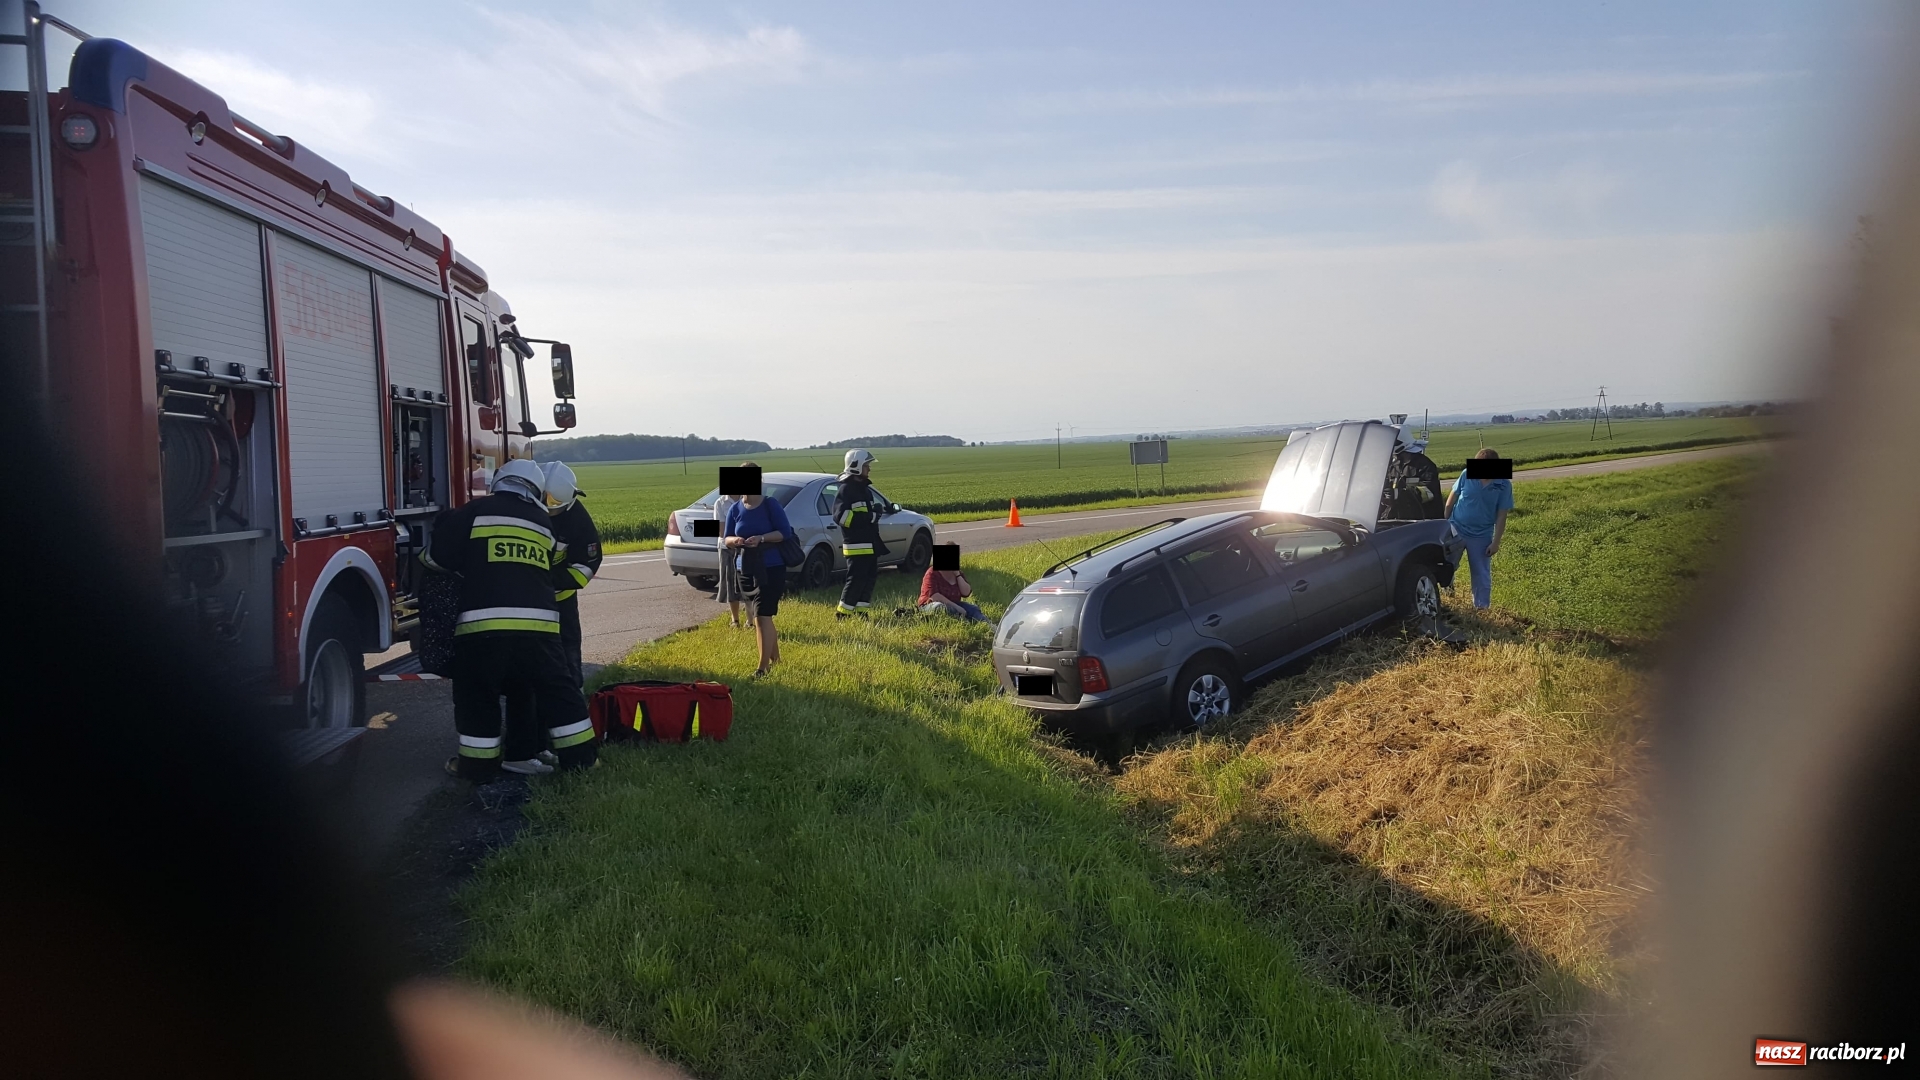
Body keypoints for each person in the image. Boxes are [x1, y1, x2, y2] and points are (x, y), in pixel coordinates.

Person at [423, 459, 598, 781]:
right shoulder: (543, 523)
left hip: (482, 626)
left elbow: (439, 559)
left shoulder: (474, 512)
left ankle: (478, 769)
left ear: (499, 482)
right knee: (558, 691)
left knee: (479, 696)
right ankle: (582, 760)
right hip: (542, 627)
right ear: (535, 490)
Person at [498, 461, 602, 774]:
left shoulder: (575, 518)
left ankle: (562, 745)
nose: (549, 510)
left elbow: (585, 567)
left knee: (567, 676)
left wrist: (543, 580)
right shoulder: (523, 508)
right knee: (526, 681)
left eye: (555, 506)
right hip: (526, 608)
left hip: (560, 610)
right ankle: (533, 745)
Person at [724, 482, 795, 677]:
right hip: (746, 568)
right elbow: (726, 538)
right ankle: (777, 660)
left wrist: (761, 538)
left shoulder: (770, 504)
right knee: (762, 615)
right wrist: (735, 541)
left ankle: (762, 668)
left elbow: (785, 532)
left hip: (771, 567)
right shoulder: (735, 508)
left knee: (761, 616)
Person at [1443, 447, 1514, 610]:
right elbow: (1453, 496)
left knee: (1480, 573)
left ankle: (1481, 608)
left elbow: (1502, 515)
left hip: (1481, 535)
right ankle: (1447, 597)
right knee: (1447, 564)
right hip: (1457, 528)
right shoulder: (1466, 473)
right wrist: (1445, 521)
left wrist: (1495, 543)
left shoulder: (1503, 484)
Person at [833, 449, 887, 618]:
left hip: (870, 544)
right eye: (866, 465)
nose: (869, 469)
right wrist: (870, 516)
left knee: (869, 579)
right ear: (855, 466)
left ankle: (861, 612)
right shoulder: (846, 490)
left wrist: (875, 512)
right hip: (857, 546)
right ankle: (843, 614)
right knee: (856, 580)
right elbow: (841, 517)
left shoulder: (865, 490)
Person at [713, 461, 757, 629]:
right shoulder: (720, 503)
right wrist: (735, 540)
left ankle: (750, 621)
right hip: (727, 549)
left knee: (747, 584)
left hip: (746, 548)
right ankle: (734, 620)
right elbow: (721, 530)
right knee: (731, 584)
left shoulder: (747, 499)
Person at [919, 564, 987, 622]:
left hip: (954, 603)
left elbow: (966, 592)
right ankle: (964, 622)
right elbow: (934, 596)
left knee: (973, 608)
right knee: (940, 607)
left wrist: (957, 575)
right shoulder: (932, 573)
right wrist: (956, 607)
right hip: (930, 604)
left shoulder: (957, 573)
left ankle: (988, 624)